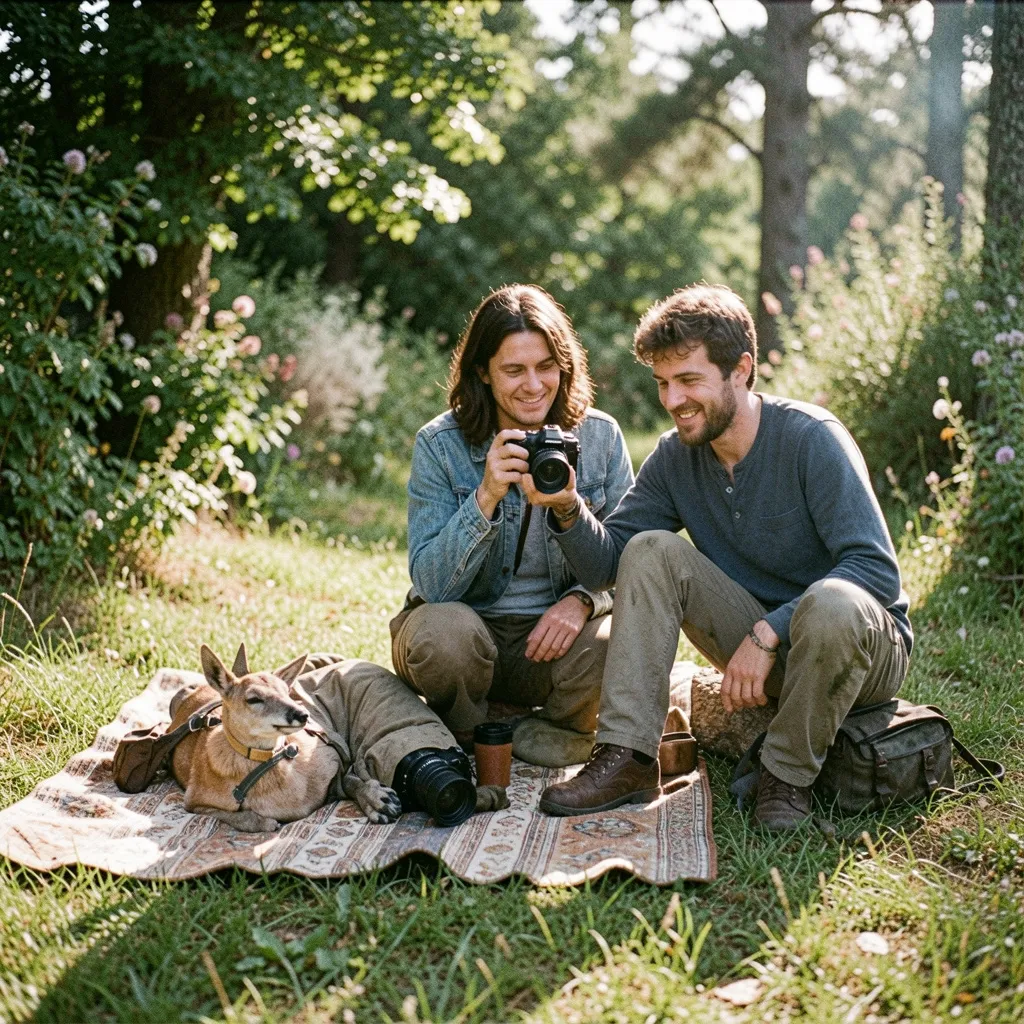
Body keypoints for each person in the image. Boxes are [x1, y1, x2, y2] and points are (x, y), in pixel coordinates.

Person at [528, 283, 912, 828]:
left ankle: (785, 777)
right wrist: (566, 508)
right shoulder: (675, 455)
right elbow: (610, 565)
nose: (672, 400)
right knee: (651, 550)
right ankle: (629, 756)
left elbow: (874, 571)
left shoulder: (812, 439)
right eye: (662, 383)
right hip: (756, 650)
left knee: (832, 601)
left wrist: (769, 631)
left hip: (857, 646)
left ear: (741, 369)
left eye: (688, 380)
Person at [390, 284, 635, 768]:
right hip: (468, 634)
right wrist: (485, 498)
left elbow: (632, 563)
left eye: (546, 366)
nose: (533, 385)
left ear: (565, 366)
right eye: (514, 370)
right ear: (482, 371)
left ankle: (537, 728)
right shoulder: (441, 445)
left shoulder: (600, 438)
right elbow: (432, 583)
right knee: (442, 634)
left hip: (554, 646)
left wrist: (583, 597)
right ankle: (467, 726)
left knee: (619, 641)